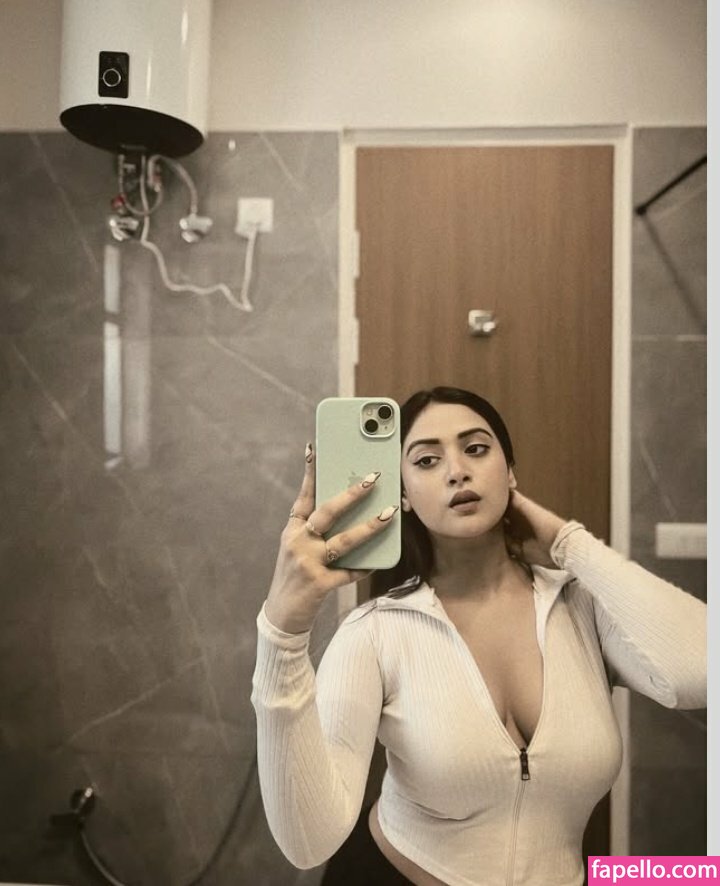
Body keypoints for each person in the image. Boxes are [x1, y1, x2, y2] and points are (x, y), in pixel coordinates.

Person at [251, 387, 706, 886]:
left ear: (509, 472)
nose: (456, 471)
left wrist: (569, 543)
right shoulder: (374, 632)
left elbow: (701, 674)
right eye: (426, 460)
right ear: (402, 495)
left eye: (475, 448)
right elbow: (307, 843)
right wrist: (283, 636)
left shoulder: (584, 607)